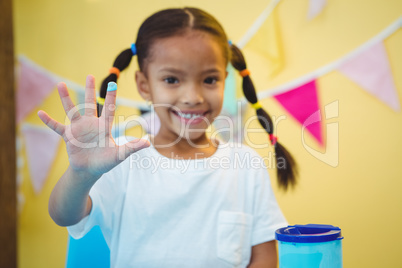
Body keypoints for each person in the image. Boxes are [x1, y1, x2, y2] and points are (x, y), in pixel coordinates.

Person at [38, 7, 297, 268]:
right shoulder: (120, 161)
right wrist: (81, 173)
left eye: (209, 79)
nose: (193, 97)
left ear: (225, 81)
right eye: (172, 79)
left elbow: (264, 257)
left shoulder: (246, 164)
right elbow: (64, 215)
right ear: (144, 85)